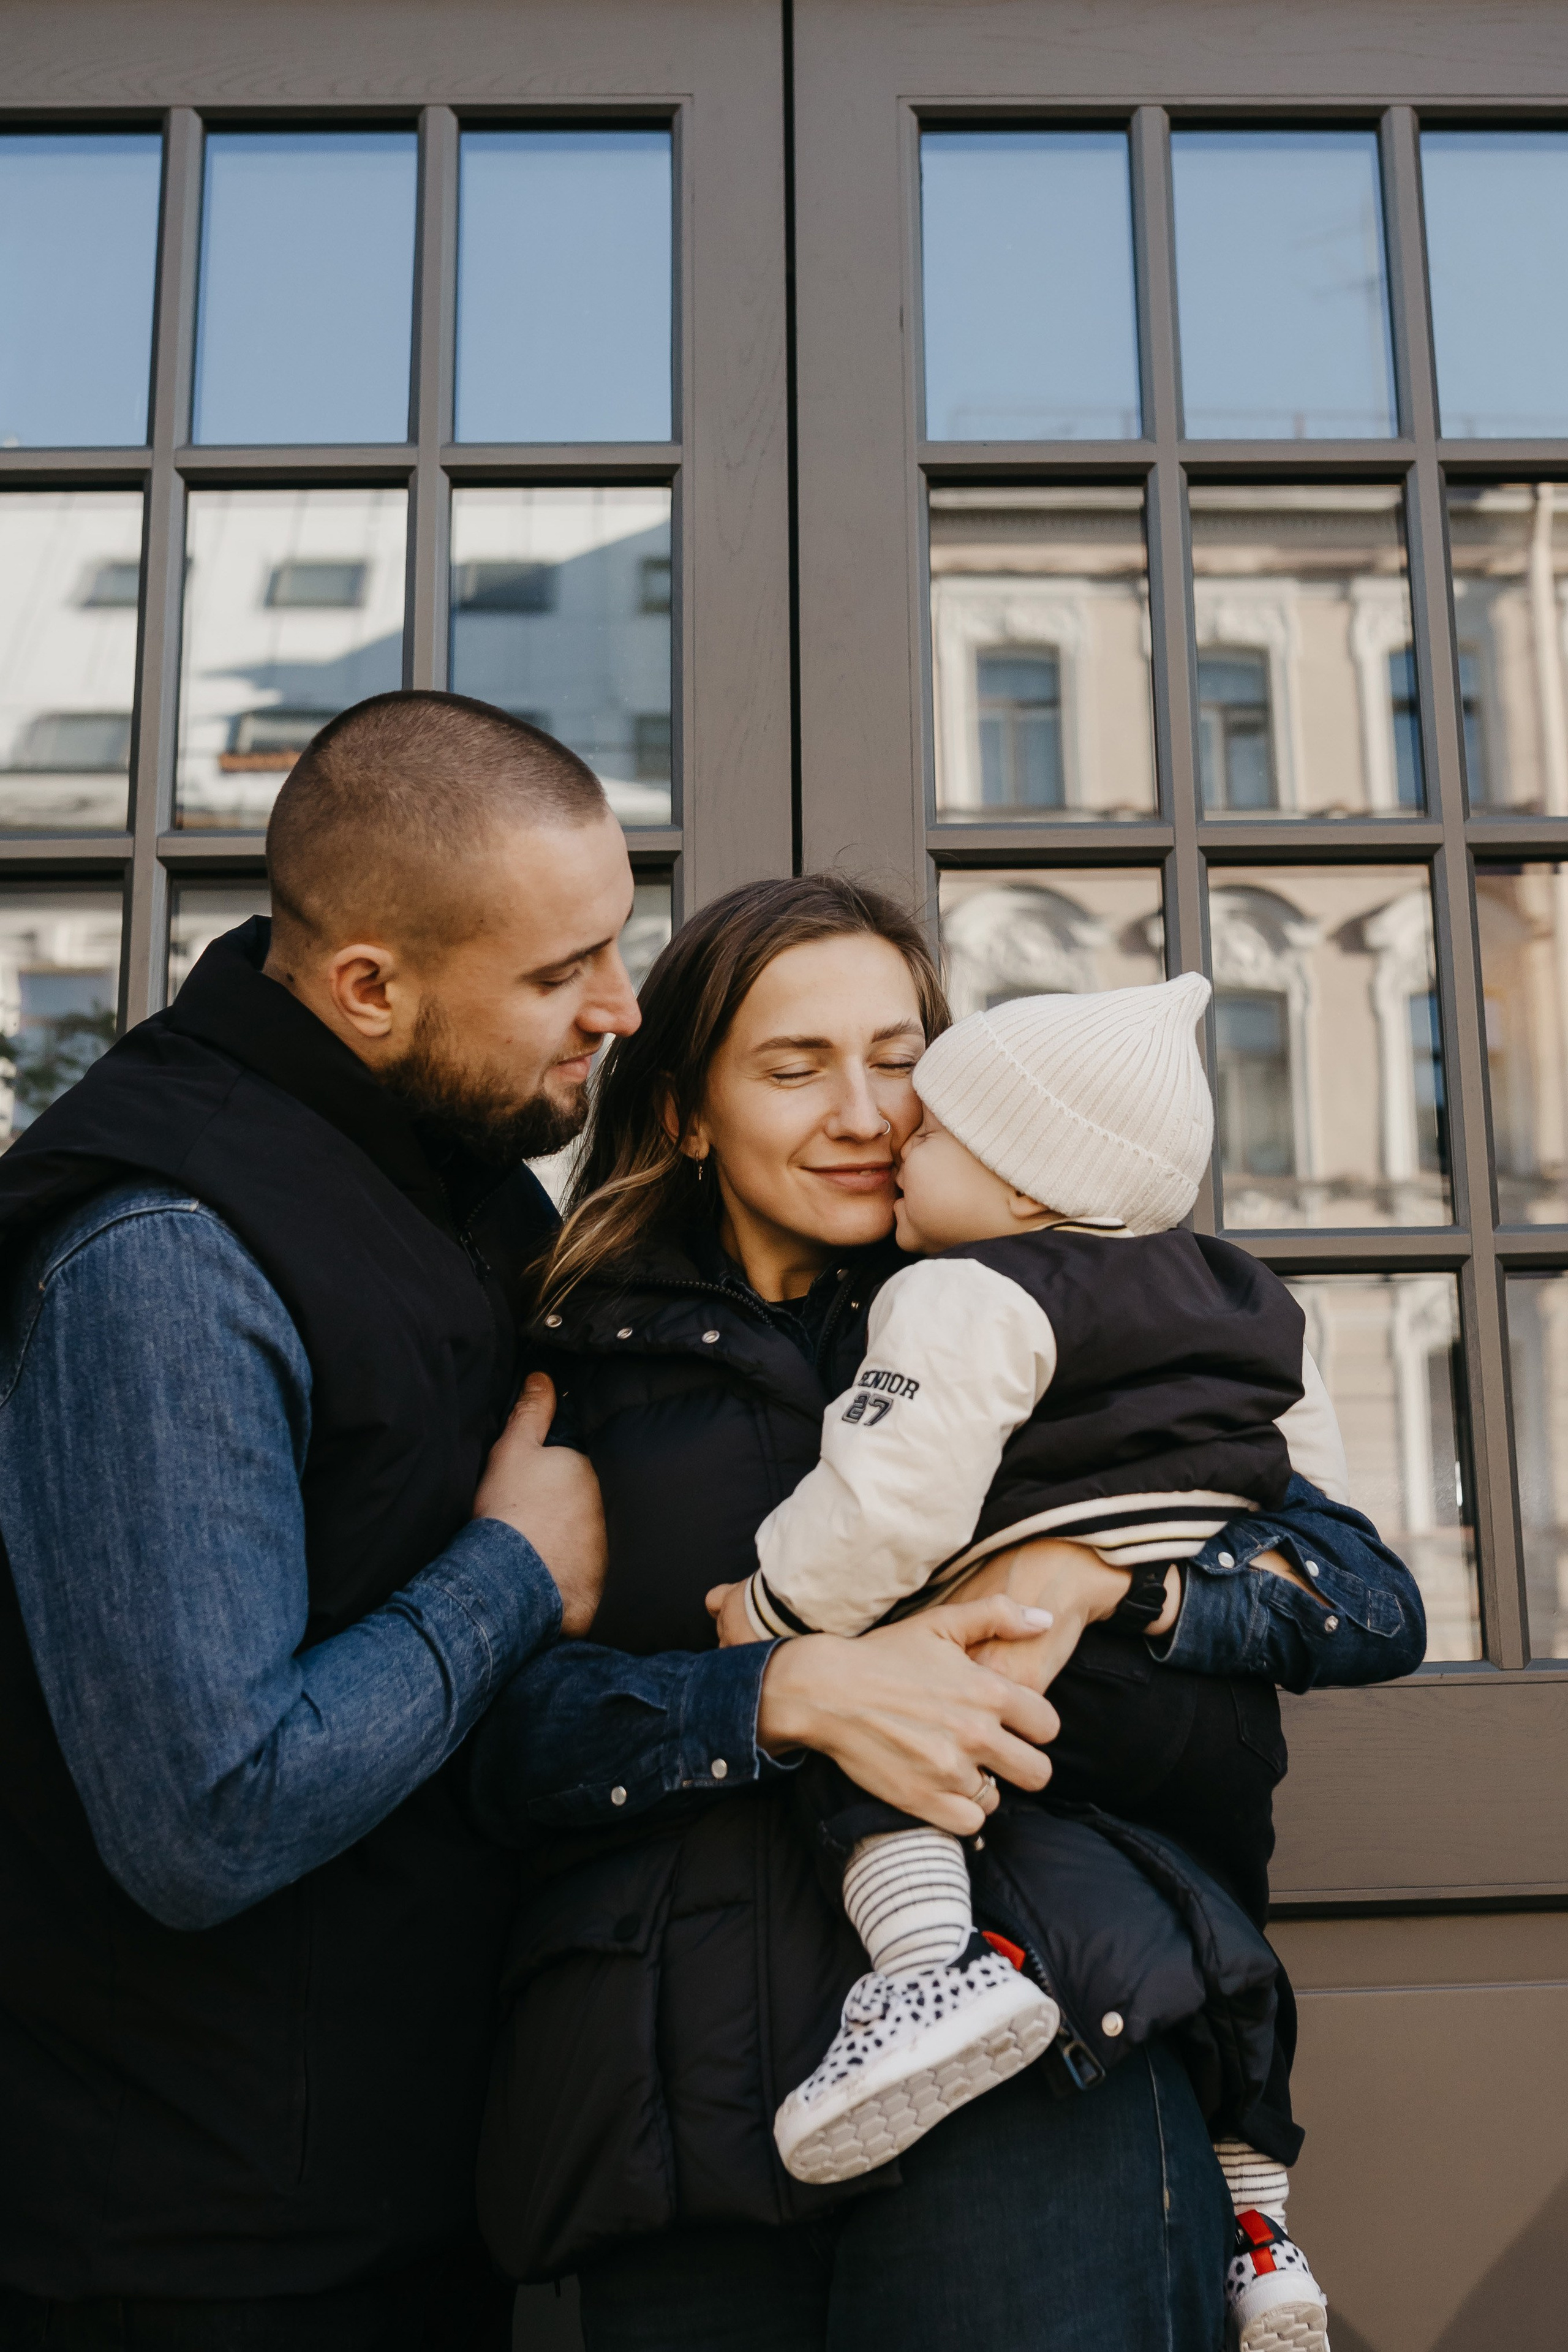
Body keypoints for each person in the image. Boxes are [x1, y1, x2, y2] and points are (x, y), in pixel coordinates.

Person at [0, 698, 1068, 2350]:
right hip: (191, 2242)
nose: (618, 1010)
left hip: (427, 2184)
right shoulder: (164, 1247)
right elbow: (207, 1811)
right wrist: (515, 1573)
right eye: (562, 973)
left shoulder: (475, 1191)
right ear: (371, 987)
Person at [466, 874, 1426, 2352]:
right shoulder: (568, 1370)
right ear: (683, 1114)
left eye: (900, 1058)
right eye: (794, 1069)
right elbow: (499, 1745)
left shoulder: (1084, 1319)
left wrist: (1103, 1579)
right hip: (680, 2102)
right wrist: (779, 1693)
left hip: (1052, 2074)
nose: (866, 1114)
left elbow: (1361, 1602)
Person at [710, 973, 1335, 2351]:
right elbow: (1321, 1516)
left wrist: (768, 1607)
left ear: (1022, 1179)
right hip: (1213, 1709)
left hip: (1023, 1673)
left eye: (927, 1124)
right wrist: (1168, 1584)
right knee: (1213, 1930)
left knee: (878, 1721)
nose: (894, 1141)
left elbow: (889, 1505)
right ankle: (1259, 2222)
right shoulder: (1256, 1298)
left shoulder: (961, 1289)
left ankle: (933, 1969)